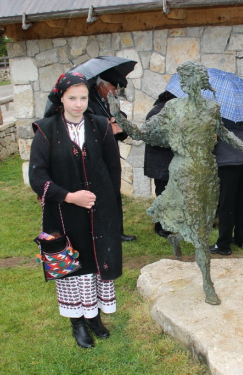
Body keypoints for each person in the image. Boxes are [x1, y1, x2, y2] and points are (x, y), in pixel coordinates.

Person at [109, 61, 243, 305]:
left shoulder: (212, 108)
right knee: (202, 230)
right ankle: (207, 283)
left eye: (190, 78)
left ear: (199, 81)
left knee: (203, 220)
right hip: (184, 170)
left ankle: (178, 237)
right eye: (184, 79)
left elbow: (226, 136)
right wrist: (119, 116)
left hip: (208, 171)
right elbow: (142, 133)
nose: (187, 83)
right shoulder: (172, 107)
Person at [29, 72, 122, 349]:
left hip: (98, 210)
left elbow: (112, 169)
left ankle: (93, 317)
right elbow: (37, 178)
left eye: (83, 97)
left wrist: (108, 206)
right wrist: (70, 196)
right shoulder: (46, 130)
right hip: (63, 214)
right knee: (72, 268)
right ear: (61, 98)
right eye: (72, 98)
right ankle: (77, 323)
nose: (79, 104)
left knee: (94, 265)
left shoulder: (101, 126)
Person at [87, 69, 136, 242]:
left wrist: (119, 123)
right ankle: (102, 231)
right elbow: (88, 128)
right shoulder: (88, 102)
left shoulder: (108, 101)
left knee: (114, 192)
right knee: (99, 193)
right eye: (113, 88)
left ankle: (117, 231)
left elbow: (120, 127)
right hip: (96, 156)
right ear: (101, 86)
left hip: (111, 155)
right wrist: (107, 126)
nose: (115, 92)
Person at [210, 118, 243, 255]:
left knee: (226, 202)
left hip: (228, 159)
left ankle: (223, 244)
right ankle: (240, 239)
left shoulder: (220, 109)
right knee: (242, 200)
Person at [144, 90, 176, 238]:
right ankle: (160, 226)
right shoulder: (156, 113)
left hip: (166, 161)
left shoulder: (168, 111)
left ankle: (168, 223)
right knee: (162, 194)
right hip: (160, 162)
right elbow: (152, 137)